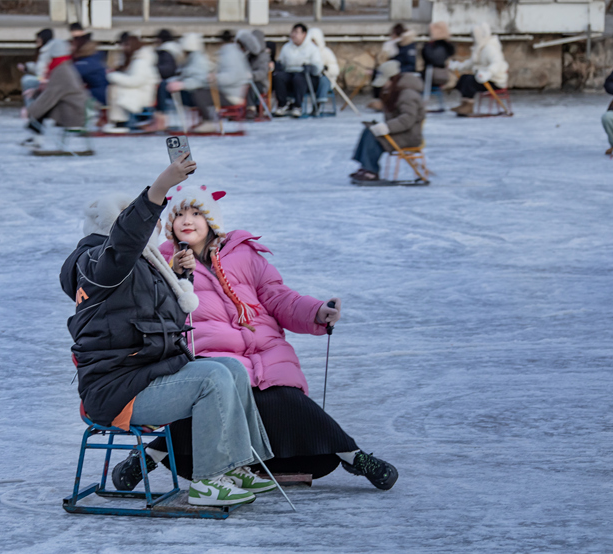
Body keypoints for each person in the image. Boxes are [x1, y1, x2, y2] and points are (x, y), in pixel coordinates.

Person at [115, 184, 399, 491]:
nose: (187, 220)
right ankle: (149, 456)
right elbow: (156, 312)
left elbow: (278, 297)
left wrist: (317, 312)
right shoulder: (160, 263)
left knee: (283, 399)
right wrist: (175, 276)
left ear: (211, 219)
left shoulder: (244, 255)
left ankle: (353, 456)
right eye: (179, 214)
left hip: (265, 353)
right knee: (210, 397)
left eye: (196, 213)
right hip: (211, 354)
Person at [60, 156, 275, 507]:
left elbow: (163, 323)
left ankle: (235, 466)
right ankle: (208, 482)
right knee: (211, 379)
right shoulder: (99, 260)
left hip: (144, 375)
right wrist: (161, 186)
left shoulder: (136, 267)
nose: (155, 224)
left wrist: (178, 277)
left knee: (231, 369)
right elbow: (124, 241)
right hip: (118, 392)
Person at [350, 61, 425, 182]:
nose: (383, 86)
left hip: (408, 135)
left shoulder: (408, 95)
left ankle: (371, 171)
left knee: (374, 136)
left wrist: (387, 127)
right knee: (369, 130)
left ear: (392, 79)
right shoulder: (395, 91)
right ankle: (365, 167)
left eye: (385, 82)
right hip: (399, 131)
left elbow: (408, 119)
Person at [24, 40, 87, 147]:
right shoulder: (64, 66)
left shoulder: (61, 70)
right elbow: (52, 89)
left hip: (74, 114)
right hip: (74, 108)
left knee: (43, 108)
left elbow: (50, 94)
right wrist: (35, 92)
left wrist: (29, 111)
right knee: (42, 107)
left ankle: (36, 136)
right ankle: (36, 135)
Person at [163, 33, 224, 134]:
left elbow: (199, 80)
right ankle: (161, 117)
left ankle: (161, 117)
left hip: (195, 93)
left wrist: (182, 85)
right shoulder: (192, 59)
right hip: (192, 91)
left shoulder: (198, 61)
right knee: (164, 86)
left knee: (165, 88)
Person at [447, 22, 508, 116]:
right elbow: (471, 62)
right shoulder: (479, 48)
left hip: (494, 80)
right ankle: (465, 103)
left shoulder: (490, 48)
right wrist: (457, 66)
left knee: (470, 81)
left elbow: (497, 63)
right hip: (482, 77)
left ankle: (469, 106)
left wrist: (488, 73)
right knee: (464, 78)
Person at [103, 36, 159, 133]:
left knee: (115, 90)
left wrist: (113, 76)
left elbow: (135, 81)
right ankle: (119, 121)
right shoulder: (137, 59)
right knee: (114, 89)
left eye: (126, 45)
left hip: (142, 93)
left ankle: (120, 122)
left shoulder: (141, 62)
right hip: (139, 90)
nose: (123, 48)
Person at [272, 23, 323, 118]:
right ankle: (282, 105)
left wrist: (310, 68)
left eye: (296, 32)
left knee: (299, 78)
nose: (293, 35)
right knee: (279, 77)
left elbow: (318, 67)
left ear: (304, 34)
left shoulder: (312, 48)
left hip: (307, 77)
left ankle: (297, 106)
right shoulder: (286, 47)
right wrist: (278, 66)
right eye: (292, 32)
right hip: (290, 73)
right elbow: (282, 63)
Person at [70, 26, 108, 106]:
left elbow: (70, 73)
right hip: (100, 93)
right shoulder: (94, 57)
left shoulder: (86, 62)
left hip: (97, 96)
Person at [236, 29, 270, 117]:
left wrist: (252, 75)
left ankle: (251, 108)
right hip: (247, 80)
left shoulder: (264, 56)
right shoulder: (248, 55)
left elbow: (263, 73)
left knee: (250, 87)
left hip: (260, 83)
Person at [17, 29, 55, 109]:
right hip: (42, 78)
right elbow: (39, 68)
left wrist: (27, 67)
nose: (36, 41)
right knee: (28, 80)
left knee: (26, 80)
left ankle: (30, 108)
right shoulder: (43, 51)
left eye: (39, 39)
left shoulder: (48, 52)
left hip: (47, 80)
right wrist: (26, 67)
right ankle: (31, 106)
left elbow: (42, 68)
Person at [215, 30, 252, 111]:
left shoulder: (228, 55)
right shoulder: (238, 52)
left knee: (202, 95)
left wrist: (215, 78)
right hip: (238, 92)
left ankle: (208, 117)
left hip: (231, 94)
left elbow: (231, 77)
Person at [307, 28, 340, 105]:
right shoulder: (306, 52)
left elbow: (335, 69)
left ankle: (320, 99)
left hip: (325, 78)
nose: (312, 43)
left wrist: (327, 68)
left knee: (323, 80)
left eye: (314, 41)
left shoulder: (326, 52)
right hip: (310, 78)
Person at [421, 21, 455, 90]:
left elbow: (429, 57)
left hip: (431, 74)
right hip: (444, 73)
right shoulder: (448, 45)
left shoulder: (431, 46)